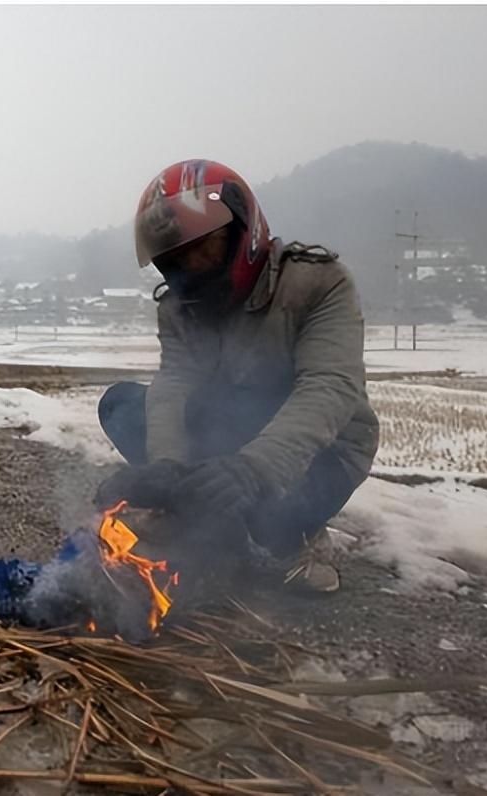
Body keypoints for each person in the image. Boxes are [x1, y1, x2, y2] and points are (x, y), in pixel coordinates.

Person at [94, 159, 379, 594]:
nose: (190, 265)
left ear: (243, 230)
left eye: (203, 247)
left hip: (324, 450)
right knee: (121, 404)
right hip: (228, 430)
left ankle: (302, 535)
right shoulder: (178, 308)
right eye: (175, 256)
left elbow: (329, 387)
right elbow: (174, 383)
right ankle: (202, 517)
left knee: (269, 521)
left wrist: (254, 470)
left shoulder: (319, 283)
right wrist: (167, 466)